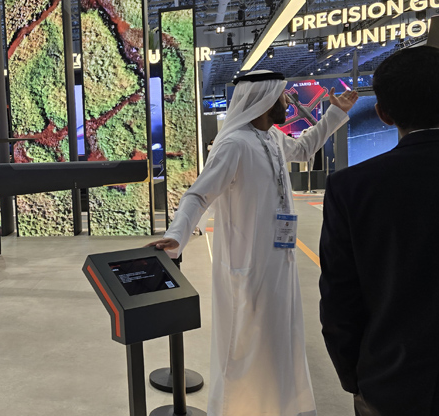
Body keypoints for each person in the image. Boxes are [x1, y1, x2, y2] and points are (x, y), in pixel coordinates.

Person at [149, 69, 358, 416]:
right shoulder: (234, 144)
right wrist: (177, 235)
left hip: (281, 262)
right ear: (264, 99)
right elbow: (199, 195)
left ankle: (277, 405)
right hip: (246, 265)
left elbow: (303, 149)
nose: (287, 101)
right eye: (282, 95)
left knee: (278, 339)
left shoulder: (272, 137)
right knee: (245, 344)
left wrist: (335, 113)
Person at [319, 46, 439, 416]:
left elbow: (340, 300)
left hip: (392, 382)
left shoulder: (351, 188)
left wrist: (355, 378)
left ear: (383, 114)